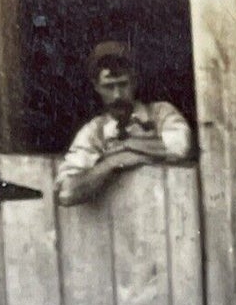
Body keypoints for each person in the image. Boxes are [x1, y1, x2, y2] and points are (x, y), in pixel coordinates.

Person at [54, 42, 193, 207]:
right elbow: (66, 193)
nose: (117, 95)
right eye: (108, 87)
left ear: (134, 81)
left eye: (123, 84)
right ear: (96, 87)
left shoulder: (161, 113)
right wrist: (112, 163)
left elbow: (181, 147)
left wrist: (126, 150)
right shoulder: (93, 132)